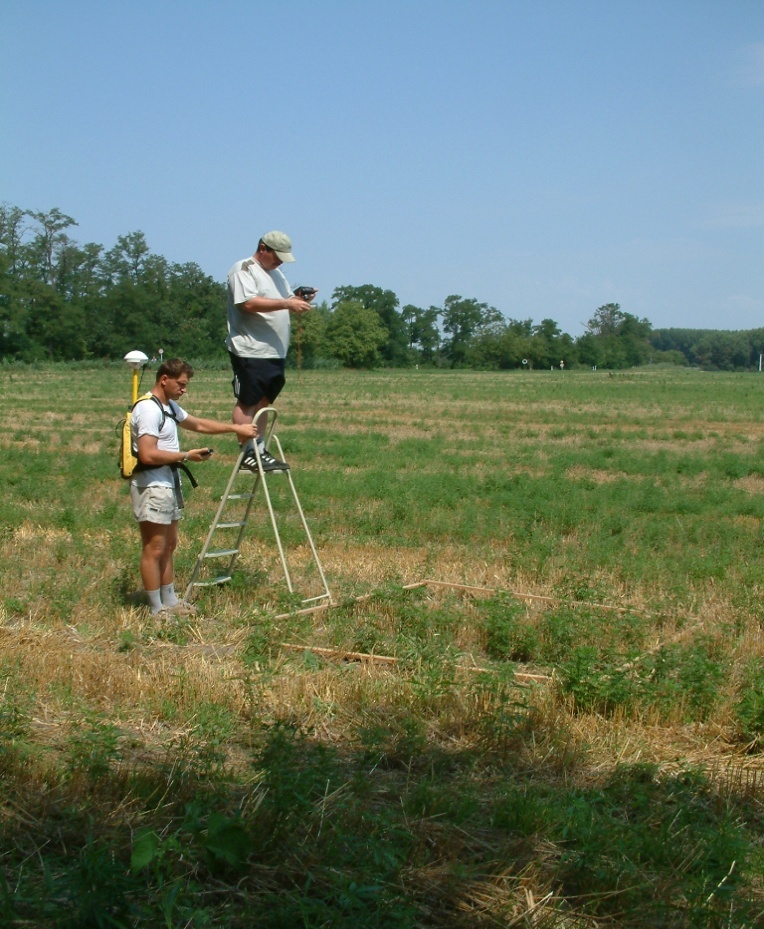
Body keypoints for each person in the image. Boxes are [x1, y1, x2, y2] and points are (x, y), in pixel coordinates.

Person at [130, 358, 258, 616]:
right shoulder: (149, 410)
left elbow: (198, 424)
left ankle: (170, 601)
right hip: (152, 484)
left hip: (168, 483)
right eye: (181, 384)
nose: (184, 390)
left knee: (169, 545)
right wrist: (186, 455)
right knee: (154, 548)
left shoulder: (169, 407)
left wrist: (236, 427)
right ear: (164, 379)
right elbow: (147, 455)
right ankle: (156, 610)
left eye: (186, 385)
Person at [226, 230, 315, 472]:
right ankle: (247, 452)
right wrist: (287, 303)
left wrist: (296, 298)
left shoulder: (276, 274)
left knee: (263, 402)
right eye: (277, 256)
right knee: (248, 401)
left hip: (274, 352)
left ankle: (260, 450)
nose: (279, 262)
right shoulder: (243, 269)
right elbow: (248, 303)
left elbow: (282, 299)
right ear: (263, 248)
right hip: (250, 348)